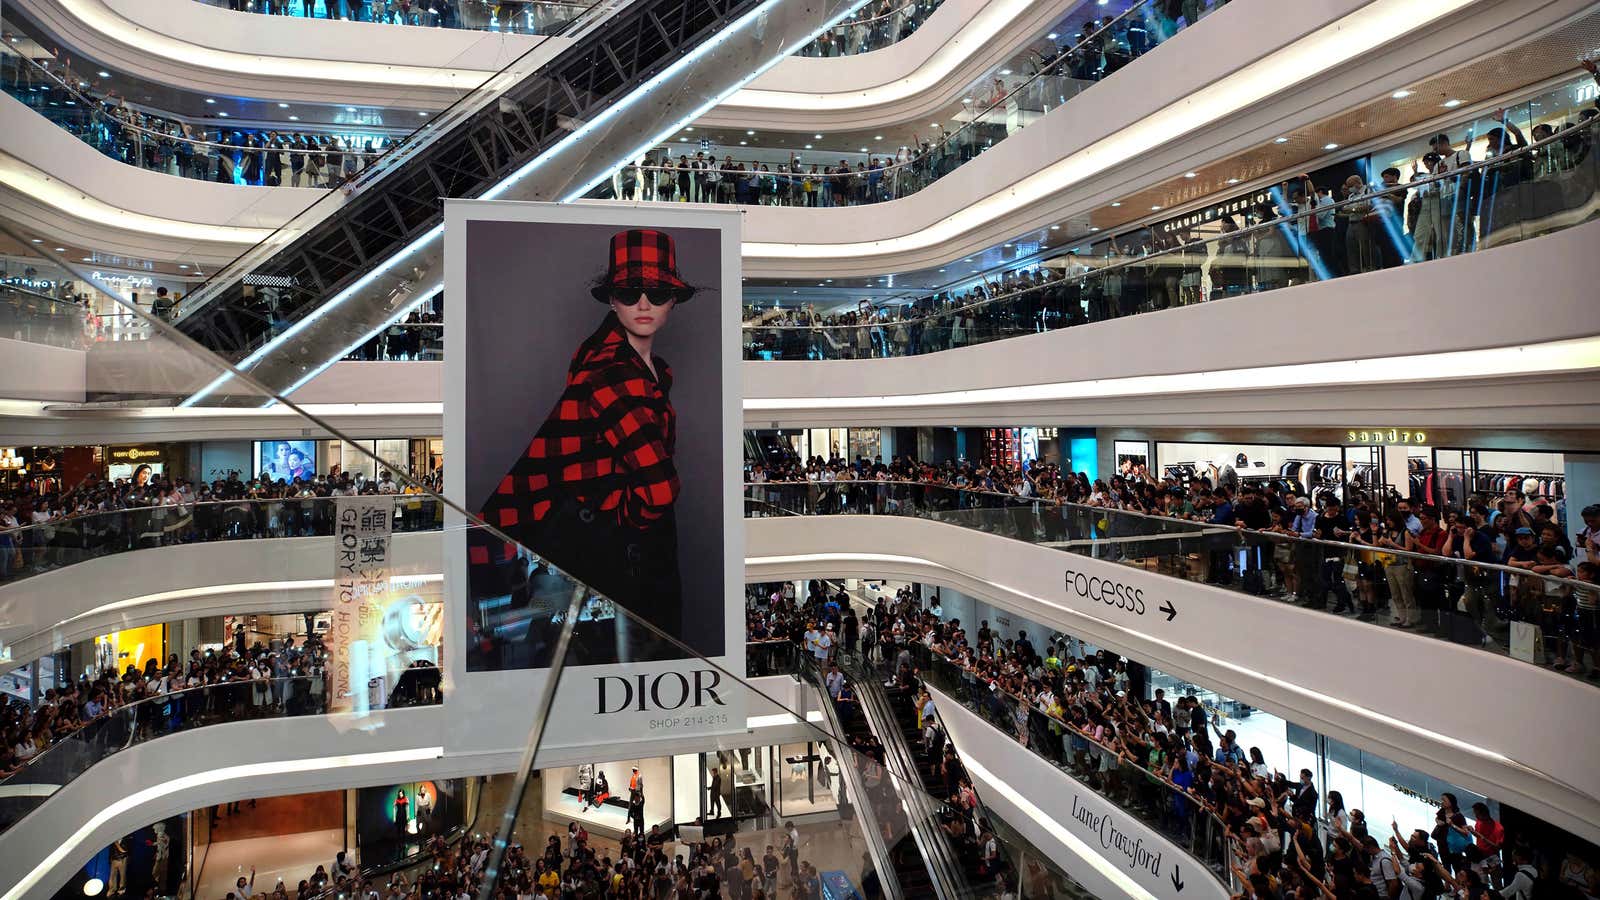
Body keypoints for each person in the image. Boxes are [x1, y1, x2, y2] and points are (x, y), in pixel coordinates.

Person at [473, 229, 701, 646]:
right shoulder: (612, 371)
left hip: (600, 557)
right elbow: (658, 490)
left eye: (656, 291)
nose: (644, 303)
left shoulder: (631, 365)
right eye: (630, 292)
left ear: (673, 300)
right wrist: (623, 514)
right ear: (612, 300)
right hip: (616, 561)